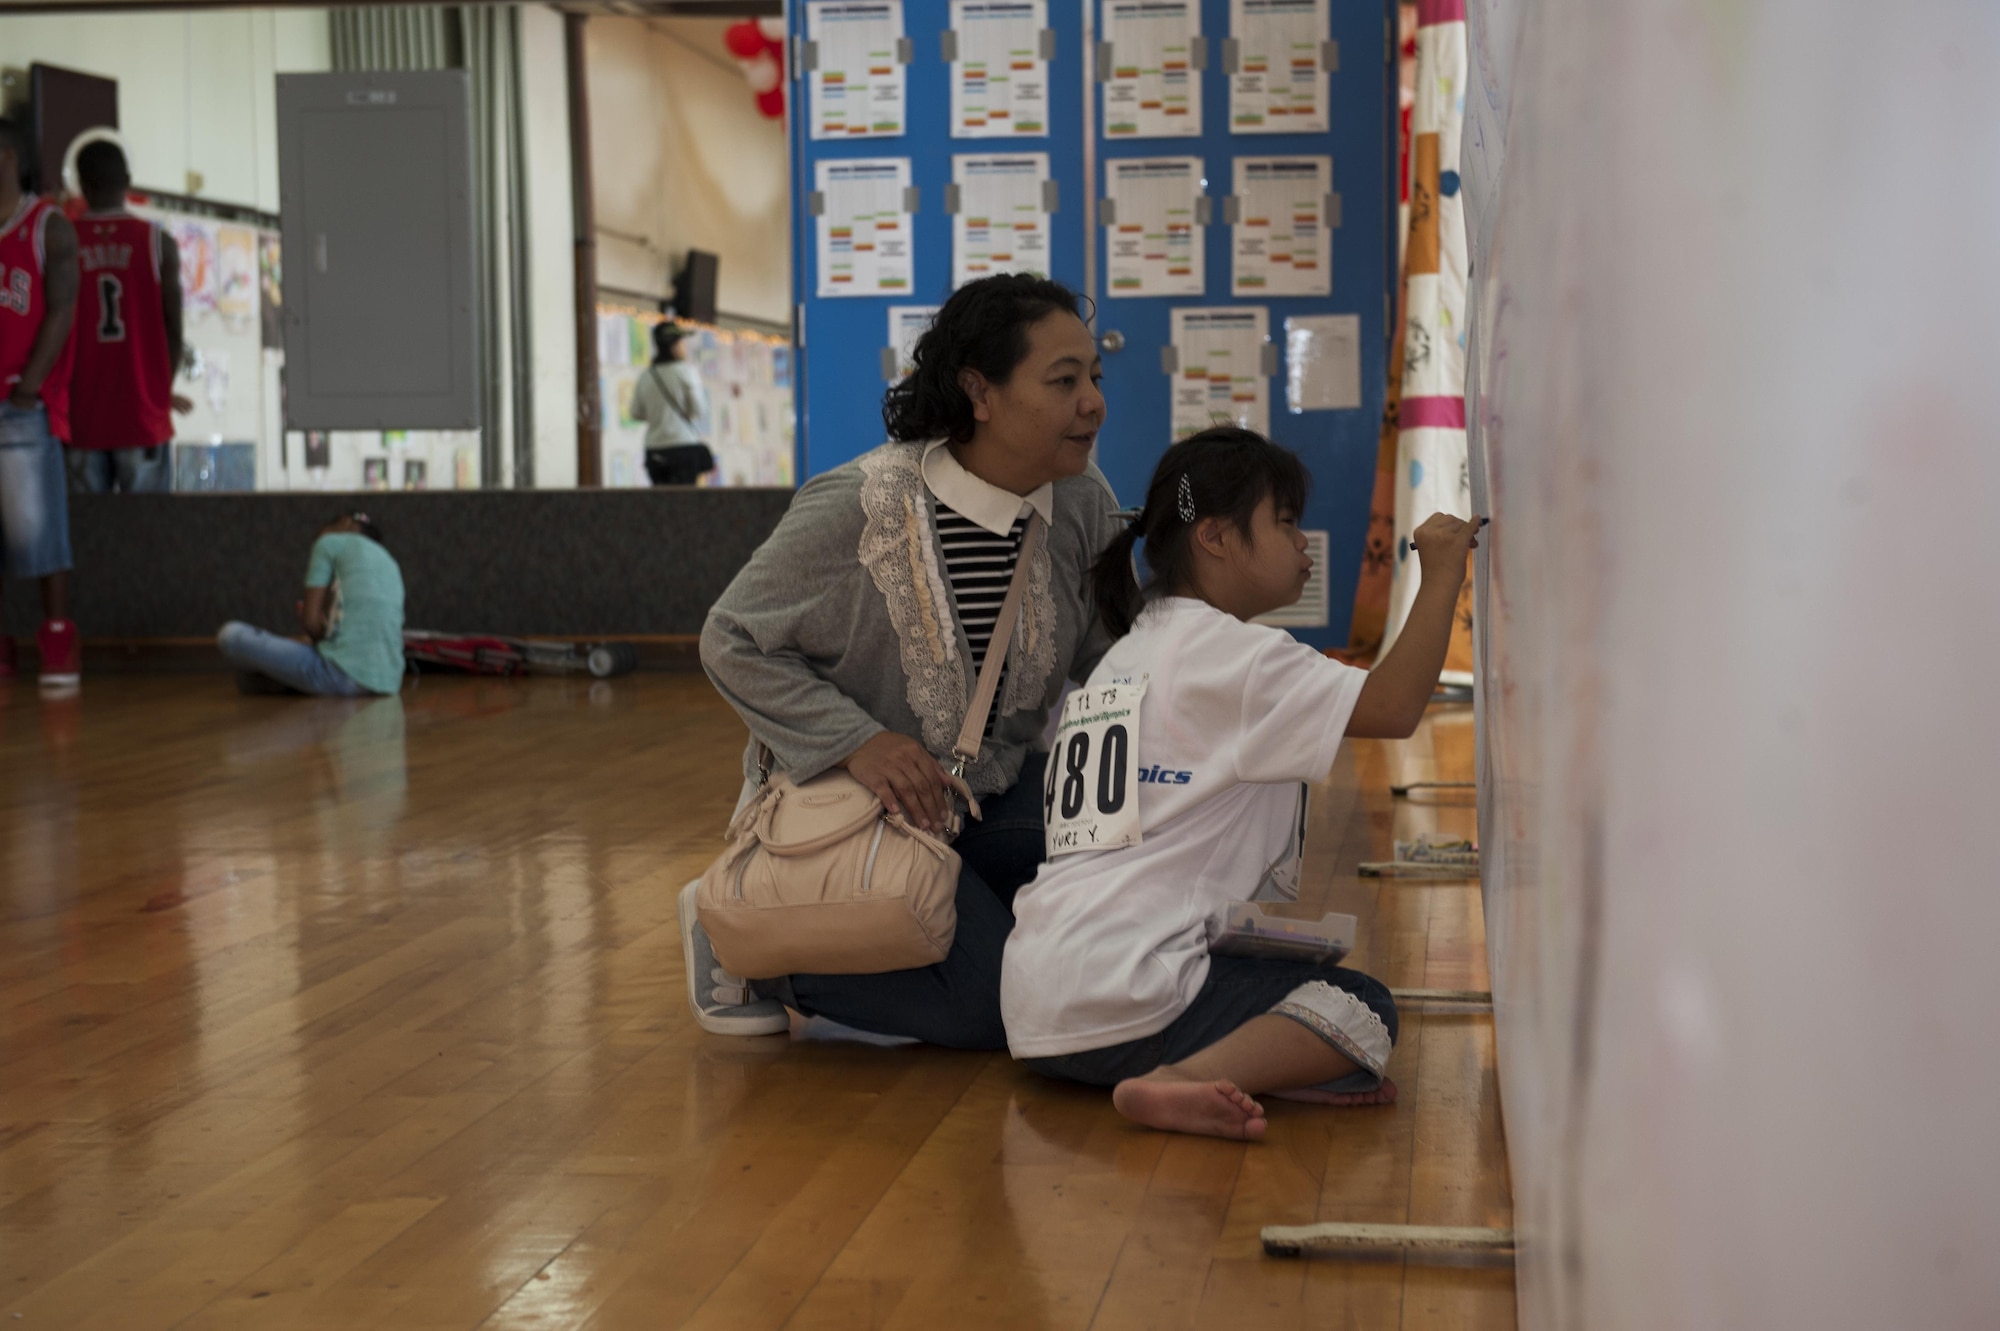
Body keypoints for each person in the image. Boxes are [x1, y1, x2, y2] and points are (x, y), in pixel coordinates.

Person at [1000, 427, 1486, 1140]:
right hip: (1129, 1002)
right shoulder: (1238, 655)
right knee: (1363, 1003)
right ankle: (1180, 1080)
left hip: (1039, 1003)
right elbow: (1394, 706)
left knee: (1294, 984)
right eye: (1286, 522)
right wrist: (1441, 571)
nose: (1303, 544)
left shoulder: (1131, 651)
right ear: (1218, 537)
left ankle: (1241, 1066)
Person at [692, 273, 1123, 1045]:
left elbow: (1111, 652)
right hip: (858, 807)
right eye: (1064, 380)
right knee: (994, 1007)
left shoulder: (1082, 500)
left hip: (985, 793)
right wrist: (858, 741)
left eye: (1094, 376)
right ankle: (748, 937)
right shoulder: (858, 507)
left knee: (1117, 864)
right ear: (978, 392)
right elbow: (731, 637)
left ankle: (934, 916)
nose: (1092, 401)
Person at [0, 118, 81, 686]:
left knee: (38, 526)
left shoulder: (47, 225)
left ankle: (56, 637)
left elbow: (62, 309)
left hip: (21, 403)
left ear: (7, 156)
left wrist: (30, 384)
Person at [65, 141, 184, 493]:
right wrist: (160, 391)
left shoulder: (63, 241)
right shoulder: (157, 242)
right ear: (128, 180)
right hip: (141, 413)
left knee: (90, 539)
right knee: (148, 538)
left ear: (81, 185)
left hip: (81, 414)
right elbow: (174, 328)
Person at [216, 511, 406, 697]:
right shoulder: (389, 560)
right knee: (249, 678)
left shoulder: (329, 543)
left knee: (231, 636)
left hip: (339, 675)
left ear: (346, 523)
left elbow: (310, 622)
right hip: (387, 683)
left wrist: (315, 631)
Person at [627, 323, 714, 485]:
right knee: (685, 504)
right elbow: (699, 410)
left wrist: (657, 414)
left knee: (661, 505)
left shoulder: (646, 376)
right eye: (682, 342)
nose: (685, 346)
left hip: (654, 448)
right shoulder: (686, 371)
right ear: (674, 346)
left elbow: (635, 412)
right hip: (683, 447)